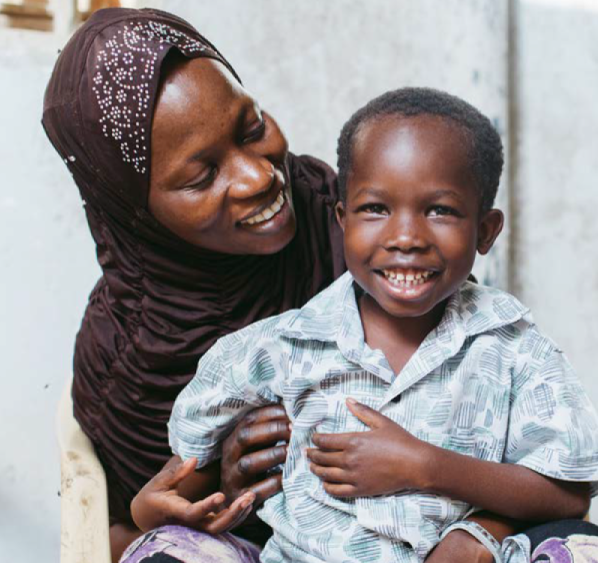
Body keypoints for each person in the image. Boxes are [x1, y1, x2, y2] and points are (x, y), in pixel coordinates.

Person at [131, 87, 598, 563]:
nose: (405, 238)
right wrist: (151, 510)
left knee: (582, 548)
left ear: (484, 231)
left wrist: (427, 467)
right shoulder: (280, 348)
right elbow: (185, 483)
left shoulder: (516, 349)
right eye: (376, 209)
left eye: (440, 210)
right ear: (342, 219)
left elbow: (567, 497)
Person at [42, 7, 345, 557]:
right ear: (135, 212)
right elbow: (114, 541)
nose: (259, 176)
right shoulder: (129, 362)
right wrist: (218, 490)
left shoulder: (352, 219)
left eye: (251, 129)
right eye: (203, 176)